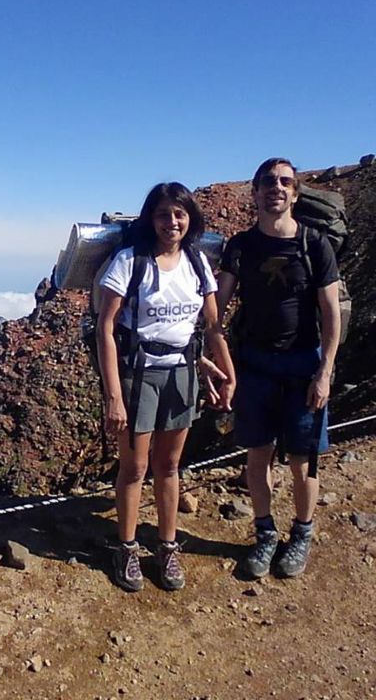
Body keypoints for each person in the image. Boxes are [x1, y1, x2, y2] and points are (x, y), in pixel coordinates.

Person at [97, 182, 235, 592]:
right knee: (135, 468)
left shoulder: (197, 262)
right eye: (162, 214)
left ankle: (167, 545)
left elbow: (212, 325)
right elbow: (105, 329)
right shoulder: (129, 261)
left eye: (179, 214)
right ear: (150, 219)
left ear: (190, 218)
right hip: (138, 375)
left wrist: (227, 372)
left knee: (170, 466)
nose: (171, 222)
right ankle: (126, 547)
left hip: (181, 373)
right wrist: (114, 397)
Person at [216, 157, 341, 579]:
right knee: (258, 454)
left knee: (304, 459)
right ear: (255, 193)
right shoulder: (241, 246)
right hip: (254, 366)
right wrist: (213, 352)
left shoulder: (314, 244)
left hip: (304, 365)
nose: (277, 187)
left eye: (286, 182)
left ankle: (302, 533)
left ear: (296, 193)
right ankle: (266, 533)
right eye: (269, 181)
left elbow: (330, 314)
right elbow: (218, 305)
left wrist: (324, 373)